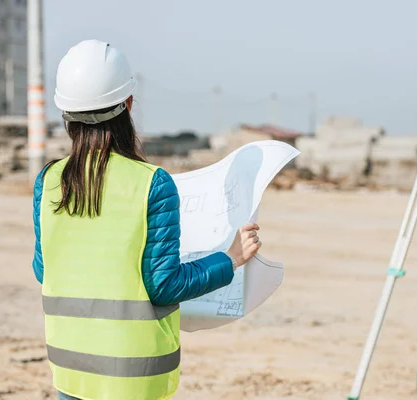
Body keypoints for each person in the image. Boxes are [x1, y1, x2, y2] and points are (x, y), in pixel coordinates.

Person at [32, 39, 262, 400]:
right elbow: (164, 286)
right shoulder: (151, 184)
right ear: (128, 104)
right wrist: (230, 258)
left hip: (70, 368)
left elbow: (45, 271)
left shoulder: (47, 182)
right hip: (133, 375)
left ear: (66, 115)